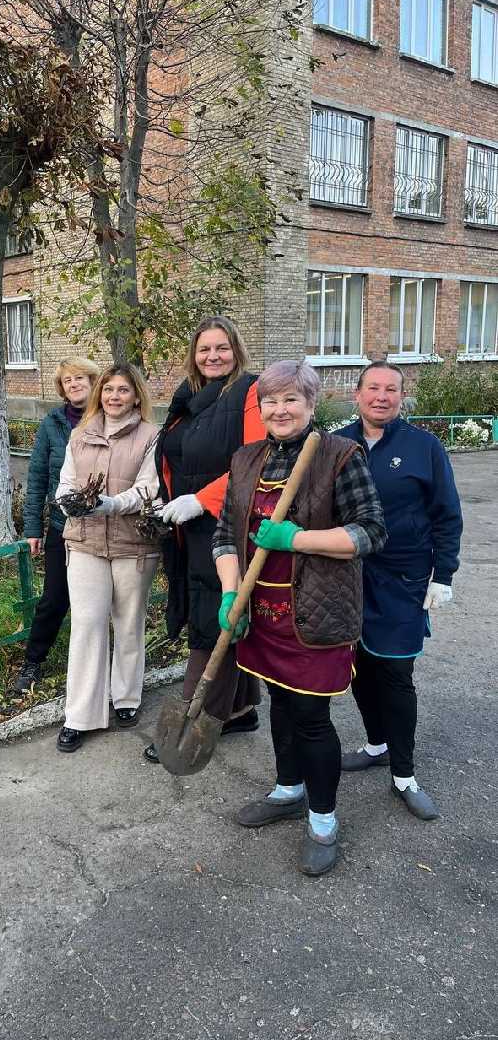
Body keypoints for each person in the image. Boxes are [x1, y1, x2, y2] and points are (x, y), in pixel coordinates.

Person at [213, 361, 386, 876]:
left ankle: (324, 820)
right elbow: (225, 535)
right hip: (261, 614)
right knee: (280, 708)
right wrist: (230, 597)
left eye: (292, 399)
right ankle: (288, 789)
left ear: (311, 404)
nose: (280, 409)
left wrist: (297, 539)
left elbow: (371, 533)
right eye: (270, 400)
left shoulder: (339, 456)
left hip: (315, 618)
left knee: (311, 720)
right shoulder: (246, 460)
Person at [336, 362, 463, 820]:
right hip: (347, 579)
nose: (381, 397)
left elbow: (447, 514)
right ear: (357, 394)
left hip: (403, 581)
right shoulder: (337, 445)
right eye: (373, 388)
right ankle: (376, 746)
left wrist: (443, 575)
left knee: (395, 676)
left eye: (391, 389)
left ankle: (404, 775)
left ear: (401, 397)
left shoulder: (424, 447)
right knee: (358, 671)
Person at [142, 316, 267, 764]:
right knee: (207, 605)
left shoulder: (249, 393)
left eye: (222, 348)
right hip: (187, 524)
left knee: (213, 619)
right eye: (204, 349)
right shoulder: (189, 399)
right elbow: (171, 458)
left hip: (227, 521)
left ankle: (197, 719)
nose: (213, 356)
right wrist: (166, 496)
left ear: (237, 350)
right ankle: (242, 708)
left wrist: (204, 498)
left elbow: (255, 462)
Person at [54, 364, 160, 753]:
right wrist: (69, 504)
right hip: (84, 543)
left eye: (124, 391)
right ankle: (80, 716)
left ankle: (127, 698)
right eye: (109, 389)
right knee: (86, 624)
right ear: (99, 393)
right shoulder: (81, 434)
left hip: (134, 545)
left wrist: (111, 504)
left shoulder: (150, 435)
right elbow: (66, 480)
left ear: (136, 396)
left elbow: (150, 488)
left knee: (129, 623)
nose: (115, 397)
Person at [14, 357, 100, 692]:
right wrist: (33, 527)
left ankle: (100, 666)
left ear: (93, 382)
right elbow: (36, 477)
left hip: (102, 526)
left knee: (100, 600)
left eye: (81, 377)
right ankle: (33, 663)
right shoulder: (52, 424)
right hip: (62, 528)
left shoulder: (107, 419)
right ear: (61, 388)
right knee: (54, 598)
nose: (75, 384)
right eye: (68, 380)